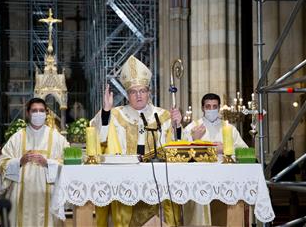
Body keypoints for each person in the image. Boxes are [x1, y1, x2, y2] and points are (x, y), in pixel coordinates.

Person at [91, 55, 182, 227]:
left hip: (158, 184)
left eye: (142, 91)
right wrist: (105, 111)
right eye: (133, 92)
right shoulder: (116, 114)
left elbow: (175, 146)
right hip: (126, 181)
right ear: (127, 94)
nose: (138, 95)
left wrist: (177, 126)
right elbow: (98, 136)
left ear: (149, 92)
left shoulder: (163, 115)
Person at [0, 97, 69, 227]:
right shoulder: (17, 137)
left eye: (41, 110)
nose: (38, 114)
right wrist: (19, 161)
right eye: (34, 110)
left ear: (47, 113)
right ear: (28, 113)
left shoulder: (57, 138)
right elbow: (2, 162)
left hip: (48, 193)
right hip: (21, 193)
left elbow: (68, 164)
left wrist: (48, 163)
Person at [182, 93, 248, 226]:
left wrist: (226, 149)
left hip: (225, 181)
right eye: (208, 106)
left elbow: (245, 153)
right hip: (200, 181)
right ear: (202, 108)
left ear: (218, 108)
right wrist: (195, 140)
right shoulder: (192, 128)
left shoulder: (229, 128)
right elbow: (182, 155)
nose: (211, 109)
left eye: (214, 106)